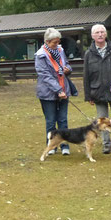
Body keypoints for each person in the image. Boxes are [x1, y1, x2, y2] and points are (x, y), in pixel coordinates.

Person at [83, 24, 111, 154]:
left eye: (102, 32)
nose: (100, 34)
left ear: (106, 34)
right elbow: (86, 76)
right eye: (97, 32)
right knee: (102, 121)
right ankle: (106, 145)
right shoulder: (88, 53)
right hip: (97, 92)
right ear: (92, 36)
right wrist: (88, 96)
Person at [35, 28, 73, 156]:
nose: (57, 45)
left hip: (63, 89)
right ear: (47, 41)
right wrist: (58, 89)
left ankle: (64, 145)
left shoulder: (60, 51)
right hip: (47, 93)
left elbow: (66, 64)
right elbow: (45, 75)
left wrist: (68, 69)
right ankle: (51, 146)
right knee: (51, 121)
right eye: (54, 43)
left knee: (63, 120)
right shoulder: (40, 55)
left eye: (58, 42)